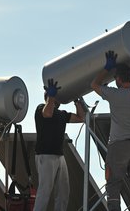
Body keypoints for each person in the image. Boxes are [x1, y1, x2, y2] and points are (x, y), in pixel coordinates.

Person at [91, 50, 130, 211]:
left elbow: (94, 85)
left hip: (119, 147)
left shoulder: (114, 94)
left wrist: (106, 68)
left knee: (114, 184)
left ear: (118, 79)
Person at [33, 78, 85, 211]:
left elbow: (81, 118)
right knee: (44, 192)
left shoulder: (62, 114)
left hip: (58, 156)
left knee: (63, 192)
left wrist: (77, 101)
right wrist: (51, 96)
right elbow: (48, 113)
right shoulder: (40, 109)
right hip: (45, 155)